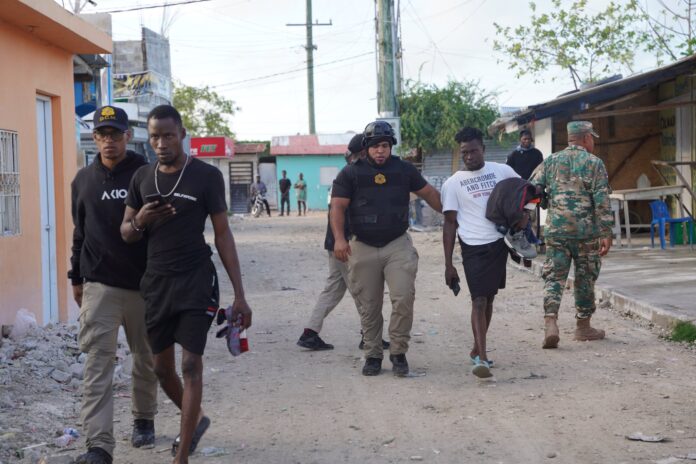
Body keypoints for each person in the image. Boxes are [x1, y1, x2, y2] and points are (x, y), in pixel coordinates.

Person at [120, 105, 252, 464]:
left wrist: (240, 295)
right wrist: (142, 219)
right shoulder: (142, 178)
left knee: (191, 365)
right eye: (155, 137)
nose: (161, 143)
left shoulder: (206, 176)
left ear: (181, 134)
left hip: (196, 280)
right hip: (157, 283)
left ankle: (182, 456)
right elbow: (126, 232)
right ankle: (197, 420)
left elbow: (222, 234)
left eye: (168, 135)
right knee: (162, 369)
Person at [70, 105, 158, 464]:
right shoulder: (83, 180)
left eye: (115, 134)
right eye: (102, 134)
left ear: (128, 136)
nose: (109, 141)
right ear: (95, 138)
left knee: (146, 358)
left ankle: (144, 419)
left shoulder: (146, 173)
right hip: (100, 286)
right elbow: (80, 232)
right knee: (97, 365)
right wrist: (75, 276)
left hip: (143, 284)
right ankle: (98, 445)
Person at [331, 121, 442, 377]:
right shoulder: (350, 173)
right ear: (366, 148)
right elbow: (337, 207)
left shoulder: (404, 170)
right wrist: (339, 239)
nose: (380, 151)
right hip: (362, 245)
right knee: (369, 305)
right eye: (375, 146)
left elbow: (429, 194)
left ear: (391, 146)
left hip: (397, 244)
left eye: (384, 145)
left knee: (403, 297)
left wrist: (452, 215)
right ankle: (372, 355)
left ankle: (398, 352)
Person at [297, 134, 389, 351]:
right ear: (364, 153)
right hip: (346, 244)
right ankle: (369, 336)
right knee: (363, 290)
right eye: (373, 148)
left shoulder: (346, 173)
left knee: (333, 289)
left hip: (335, 243)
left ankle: (310, 333)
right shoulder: (354, 176)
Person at [442, 127, 519, 379]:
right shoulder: (453, 183)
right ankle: (483, 358)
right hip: (472, 247)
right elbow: (449, 224)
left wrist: (524, 217)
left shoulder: (501, 171)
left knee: (490, 298)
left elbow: (524, 190)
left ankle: (477, 347)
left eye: (473, 151)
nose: (469, 156)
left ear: (483, 149)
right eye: (465, 152)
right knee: (478, 300)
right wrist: (448, 264)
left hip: (498, 244)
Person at [529, 121, 613, 349]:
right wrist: (606, 232)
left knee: (554, 277)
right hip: (586, 233)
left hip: (556, 231)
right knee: (585, 278)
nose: (592, 141)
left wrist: (547, 202)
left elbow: (532, 189)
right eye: (591, 137)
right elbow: (602, 200)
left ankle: (550, 323)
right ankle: (583, 327)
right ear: (585, 138)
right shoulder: (594, 163)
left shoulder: (550, 161)